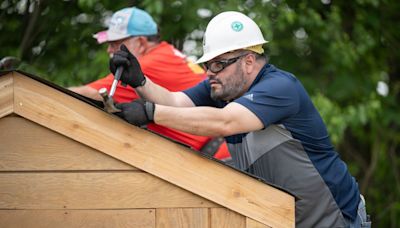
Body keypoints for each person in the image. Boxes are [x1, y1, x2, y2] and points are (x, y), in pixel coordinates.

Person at [109, 11, 371, 228]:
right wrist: (140, 81)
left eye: (219, 64)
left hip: (338, 219)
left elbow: (226, 122)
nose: (210, 73)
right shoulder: (222, 87)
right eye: (207, 65)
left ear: (248, 61)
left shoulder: (280, 88)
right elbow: (176, 102)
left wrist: (151, 113)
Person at [69, 7, 230, 161]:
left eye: (115, 43)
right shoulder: (165, 53)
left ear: (140, 42)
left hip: (220, 160)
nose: (109, 50)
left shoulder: (149, 65)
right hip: (219, 151)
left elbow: (89, 94)